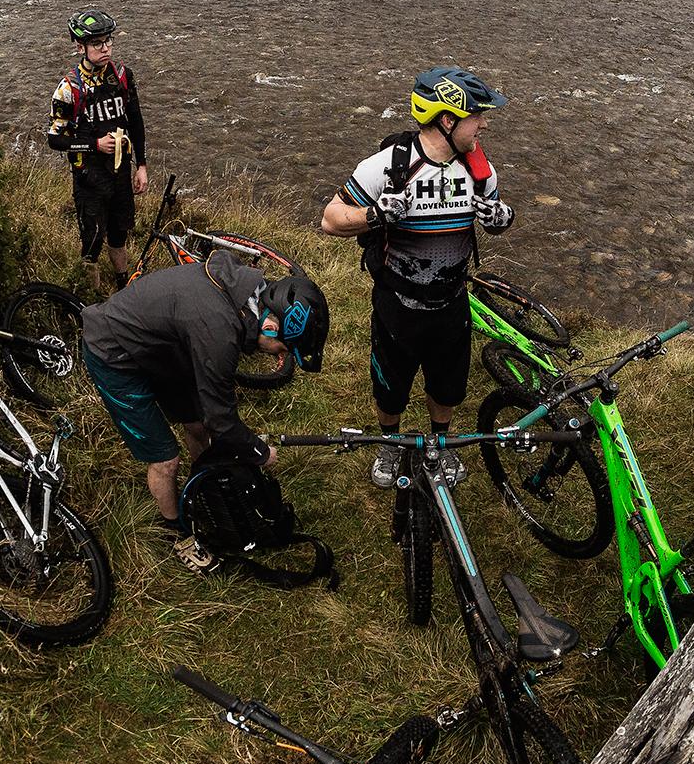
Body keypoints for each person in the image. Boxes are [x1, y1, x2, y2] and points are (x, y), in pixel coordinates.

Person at [320, 67, 515, 488]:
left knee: (448, 387)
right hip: (397, 305)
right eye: (476, 116)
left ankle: (439, 445)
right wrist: (375, 215)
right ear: (447, 120)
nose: (483, 123)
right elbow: (331, 220)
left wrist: (500, 218)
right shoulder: (388, 166)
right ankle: (391, 442)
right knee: (390, 386)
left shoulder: (480, 170)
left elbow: (496, 213)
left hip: (452, 303)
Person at [79, 252, 329, 571]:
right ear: (269, 325)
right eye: (283, 348)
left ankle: (208, 488)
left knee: (197, 426)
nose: (280, 356)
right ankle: (177, 534)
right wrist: (260, 452)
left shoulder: (245, 290)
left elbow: (210, 421)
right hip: (113, 351)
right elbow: (222, 420)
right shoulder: (220, 331)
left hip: (164, 346)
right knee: (165, 459)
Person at [46, 10, 149, 295]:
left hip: (120, 176)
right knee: (91, 244)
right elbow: (55, 140)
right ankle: (91, 300)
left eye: (108, 42)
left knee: (119, 235)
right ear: (81, 47)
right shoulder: (68, 89)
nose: (105, 48)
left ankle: (123, 286)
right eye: (97, 43)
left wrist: (141, 166)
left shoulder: (122, 76)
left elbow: (136, 122)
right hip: (89, 180)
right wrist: (94, 145)